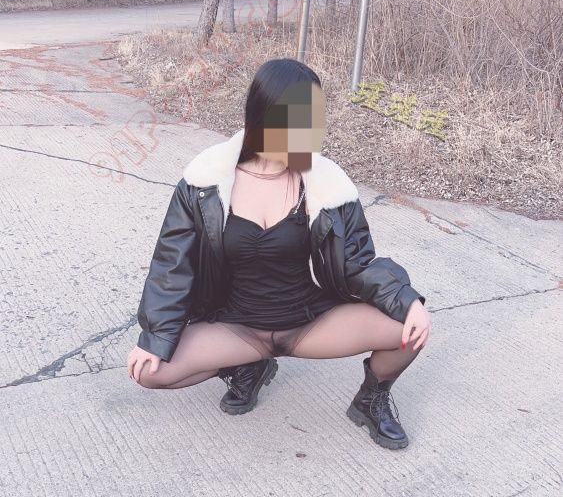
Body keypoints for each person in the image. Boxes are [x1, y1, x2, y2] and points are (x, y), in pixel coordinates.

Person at [127, 58, 431, 450]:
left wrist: (406, 300)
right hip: (237, 328)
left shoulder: (324, 183)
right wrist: (155, 336)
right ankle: (246, 367)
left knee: (409, 333)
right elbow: (172, 265)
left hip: (309, 324)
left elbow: (357, 261)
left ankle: (371, 399)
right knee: (150, 371)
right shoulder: (207, 181)